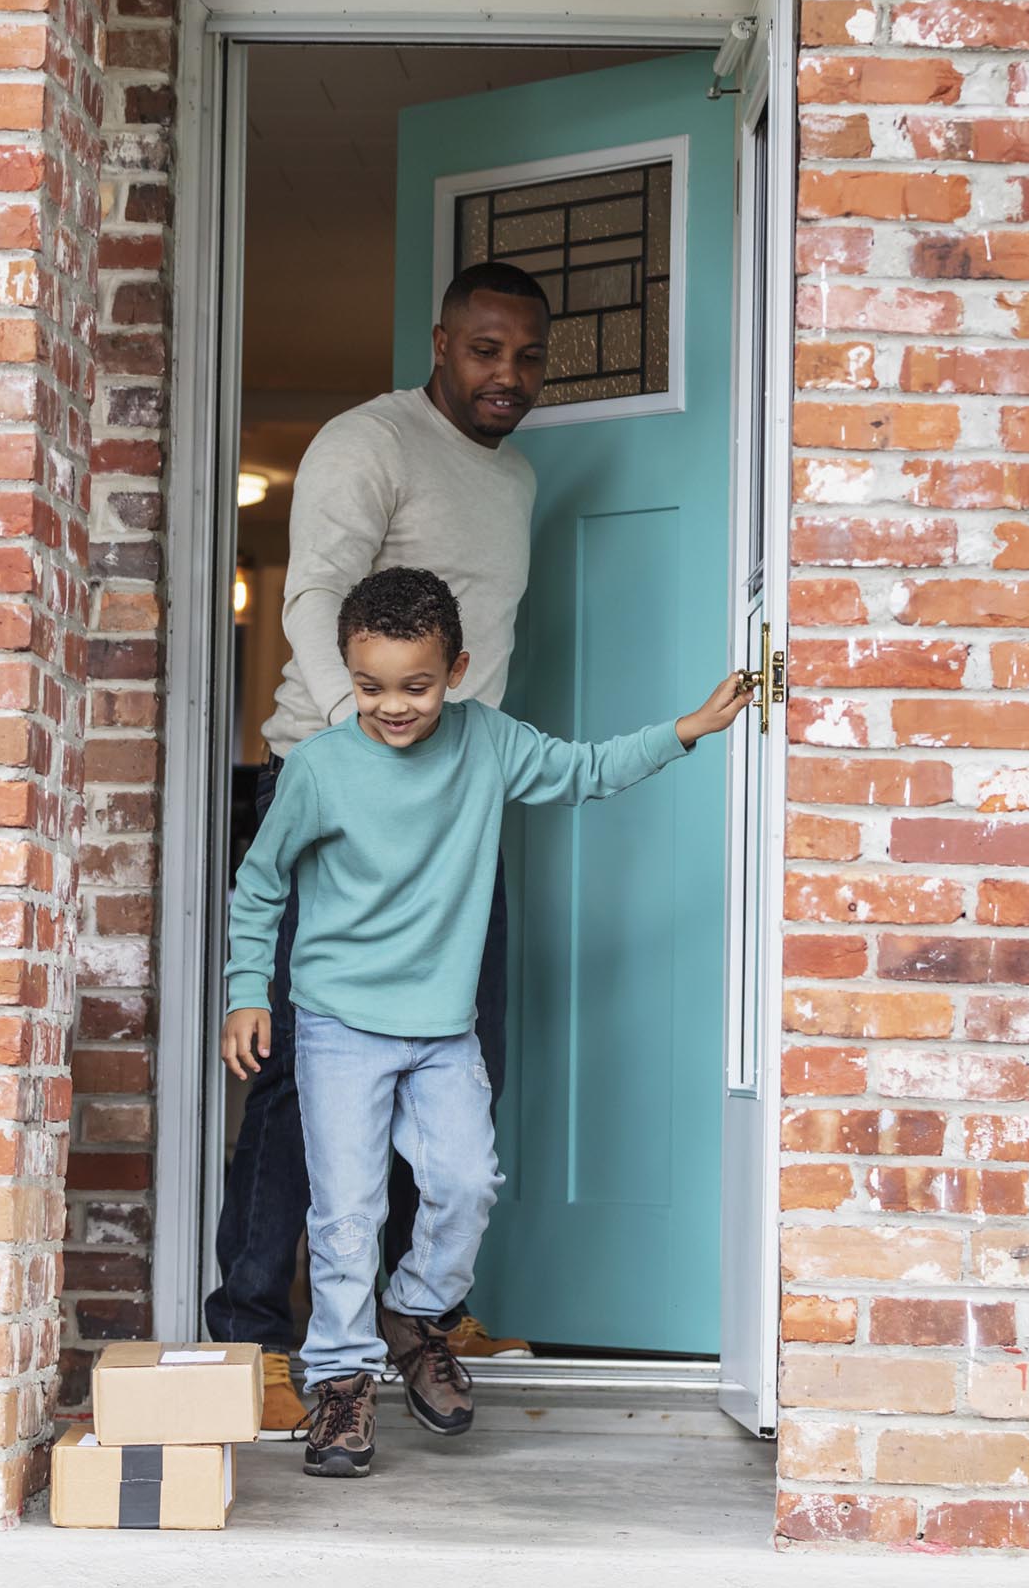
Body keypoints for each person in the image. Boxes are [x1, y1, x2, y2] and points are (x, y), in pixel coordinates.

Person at [221, 568, 754, 1478]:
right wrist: (244, 991)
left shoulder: (489, 744)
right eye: (371, 685)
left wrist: (685, 732)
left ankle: (414, 1314)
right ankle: (342, 1383)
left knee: (466, 1184)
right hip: (339, 1024)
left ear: (456, 669)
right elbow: (262, 884)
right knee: (346, 1213)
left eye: (416, 686)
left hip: (440, 1026)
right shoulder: (317, 770)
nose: (393, 707)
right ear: (348, 673)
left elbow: (586, 770)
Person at [207, 260, 554, 1433]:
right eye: (485, 350)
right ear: (442, 340)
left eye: (526, 357)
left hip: (456, 814)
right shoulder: (371, 441)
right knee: (300, 1086)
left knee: (456, 1075)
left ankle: (412, 1321)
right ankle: (252, 1329)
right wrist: (368, 758)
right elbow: (312, 603)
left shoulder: (515, 480)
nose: (506, 375)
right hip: (348, 804)